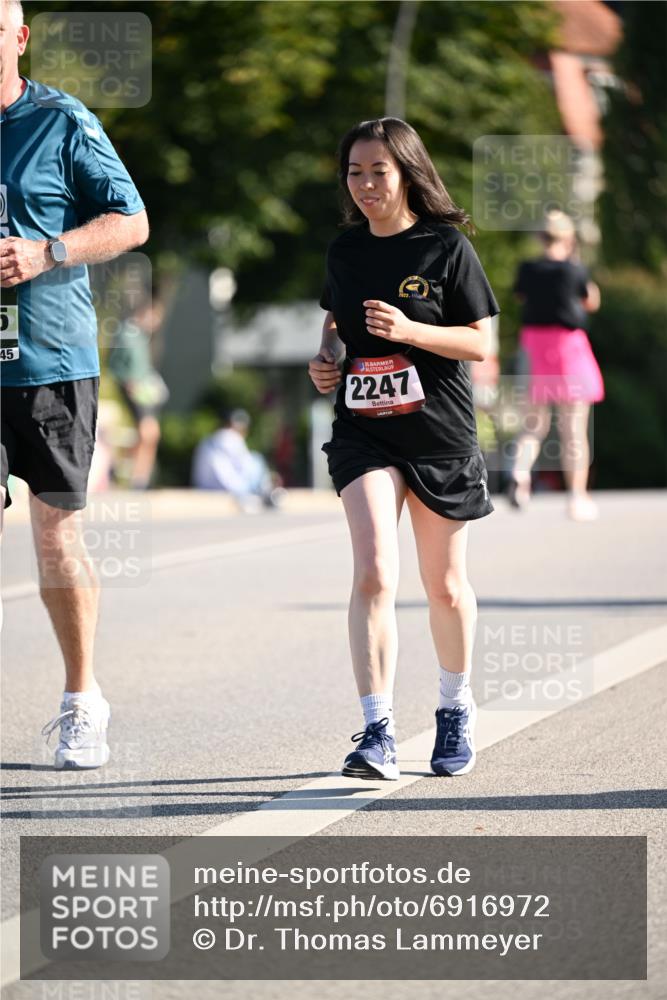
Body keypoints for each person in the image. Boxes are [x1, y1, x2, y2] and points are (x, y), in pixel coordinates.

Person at [309, 117, 498, 780]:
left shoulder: (444, 247)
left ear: (407, 174)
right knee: (374, 573)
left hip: (438, 433)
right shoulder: (345, 250)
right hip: (364, 431)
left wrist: (413, 330)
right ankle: (377, 731)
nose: (364, 185)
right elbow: (335, 319)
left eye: (378, 172)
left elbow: (480, 342)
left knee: (443, 586)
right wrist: (326, 359)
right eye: (354, 172)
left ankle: (454, 707)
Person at [0, 0, 149, 768]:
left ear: (19, 39)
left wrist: (46, 251)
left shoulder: (59, 121)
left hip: (50, 363)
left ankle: (82, 699)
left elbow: (131, 221)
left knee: (55, 533)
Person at [508, 211, 604, 521]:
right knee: (573, 429)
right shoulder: (574, 269)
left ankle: (520, 472)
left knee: (533, 425)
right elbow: (591, 301)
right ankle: (577, 497)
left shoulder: (528, 268)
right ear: (568, 238)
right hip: (568, 349)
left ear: (541, 237)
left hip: (534, 347)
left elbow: (521, 297)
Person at [107, 298, 167, 489]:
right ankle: (131, 474)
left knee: (152, 434)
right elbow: (113, 365)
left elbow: (144, 367)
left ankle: (139, 476)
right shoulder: (126, 334)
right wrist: (127, 381)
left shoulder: (142, 336)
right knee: (147, 432)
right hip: (133, 390)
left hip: (146, 391)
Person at [192, 409, 284, 512]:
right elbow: (246, 466)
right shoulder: (232, 437)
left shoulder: (207, 440)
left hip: (203, 486)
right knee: (256, 459)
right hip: (232, 489)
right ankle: (268, 493)